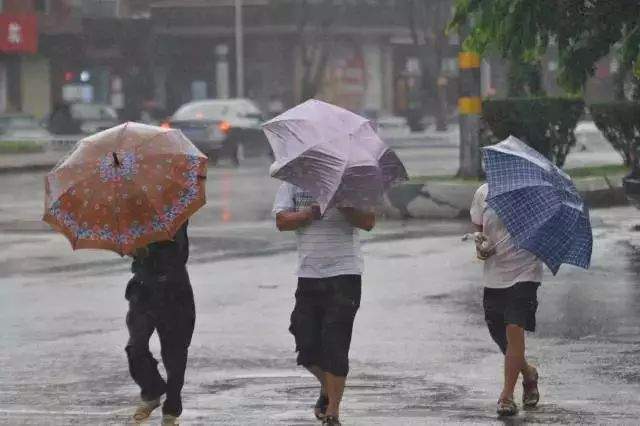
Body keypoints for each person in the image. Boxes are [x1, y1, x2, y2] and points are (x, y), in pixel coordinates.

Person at [273, 183, 375, 426]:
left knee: (335, 344)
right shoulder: (292, 181)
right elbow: (282, 221)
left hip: (345, 275)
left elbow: (368, 221)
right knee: (305, 343)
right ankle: (328, 388)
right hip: (308, 274)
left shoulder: (351, 183)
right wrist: (309, 213)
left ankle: (333, 412)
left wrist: (342, 204)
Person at [470, 183, 542, 417]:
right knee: (500, 336)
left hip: (525, 272)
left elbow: (544, 233)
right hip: (494, 276)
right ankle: (528, 373)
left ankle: (506, 396)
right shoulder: (484, 193)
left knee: (514, 328)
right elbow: (479, 232)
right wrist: (481, 246)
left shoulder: (535, 196)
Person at [124, 222, 195, 425]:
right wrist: (133, 249)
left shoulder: (173, 213)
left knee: (174, 354)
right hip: (143, 289)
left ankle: (171, 410)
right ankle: (152, 390)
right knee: (135, 346)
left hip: (174, 291)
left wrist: (149, 246)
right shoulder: (130, 215)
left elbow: (178, 253)